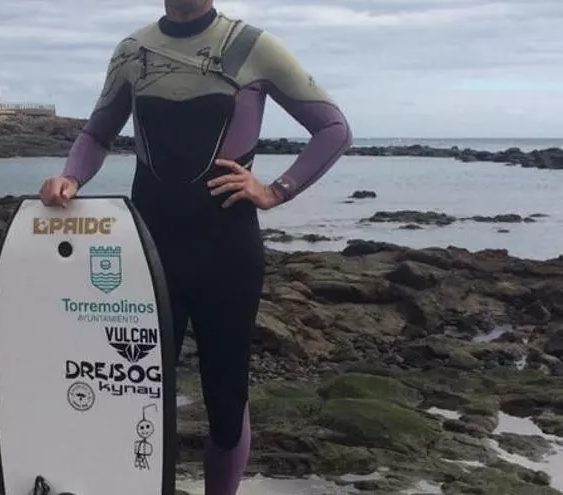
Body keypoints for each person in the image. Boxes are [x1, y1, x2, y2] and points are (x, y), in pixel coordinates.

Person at [39, 1, 352, 493]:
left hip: (226, 253)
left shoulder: (253, 47)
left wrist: (276, 190)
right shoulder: (133, 51)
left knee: (226, 403)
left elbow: (334, 130)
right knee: (134, 396)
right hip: (148, 252)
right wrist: (71, 178)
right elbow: (97, 133)